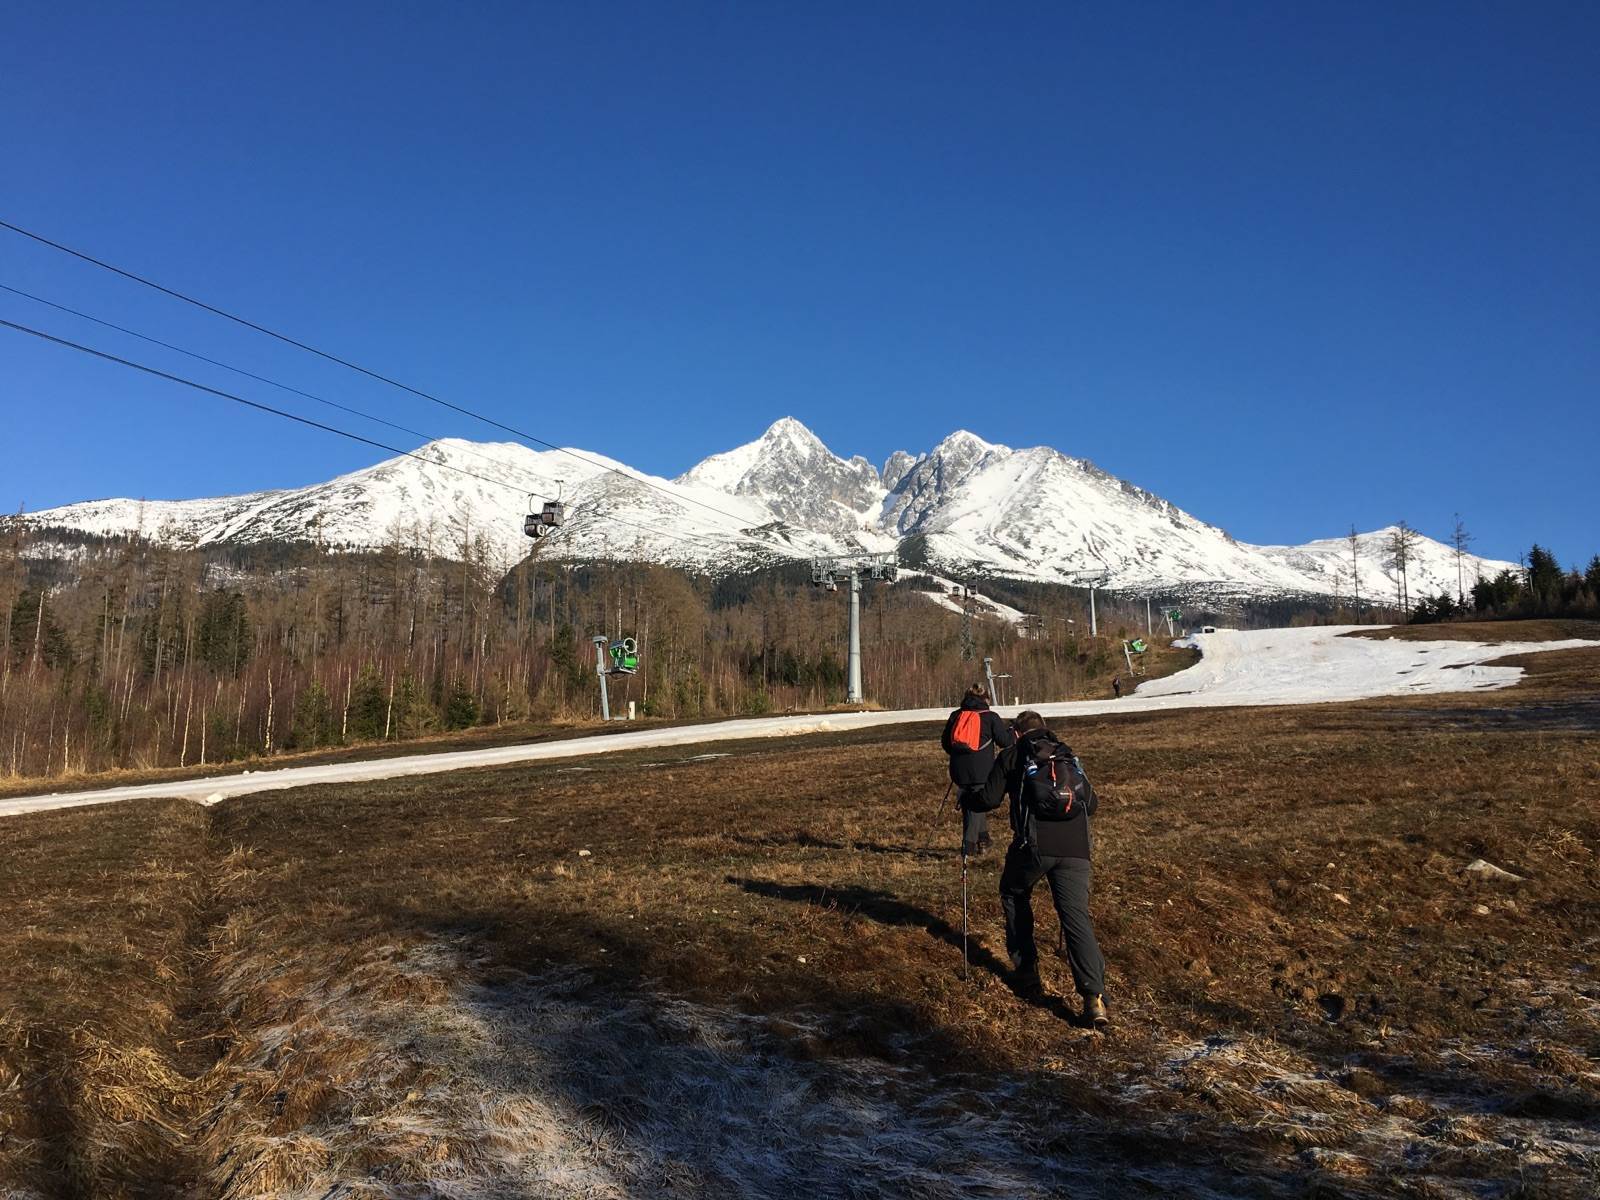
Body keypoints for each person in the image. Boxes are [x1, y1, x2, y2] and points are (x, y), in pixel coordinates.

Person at [999, 710, 1109, 1027]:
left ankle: (1027, 969)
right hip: (1076, 848)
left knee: (1013, 891)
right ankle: (1094, 998)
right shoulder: (1066, 755)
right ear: (1045, 729)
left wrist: (969, 797)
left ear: (1017, 733)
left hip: (1035, 846)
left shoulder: (1012, 755)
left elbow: (988, 799)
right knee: (1076, 918)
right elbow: (1091, 804)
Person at [939, 683, 1014, 857]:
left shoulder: (956, 715)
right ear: (986, 698)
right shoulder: (990, 717)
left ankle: (983, 838)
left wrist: (959, 755)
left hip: (958, 768)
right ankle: (969, 846)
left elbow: (945, 743)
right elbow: (1005, 742)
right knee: (976, 804)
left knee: (970, 801)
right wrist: (1012, 731)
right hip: (982, 769)